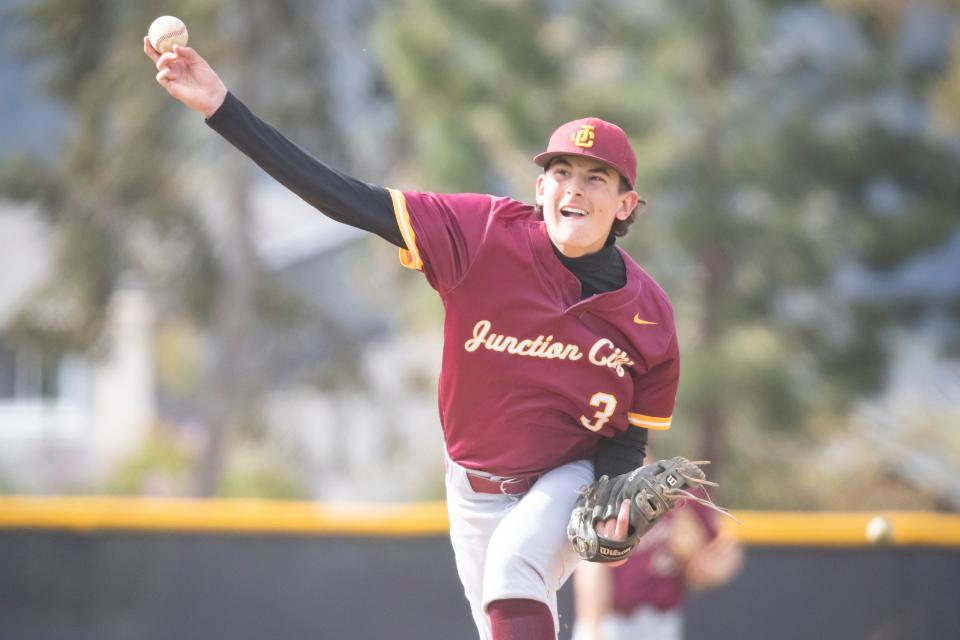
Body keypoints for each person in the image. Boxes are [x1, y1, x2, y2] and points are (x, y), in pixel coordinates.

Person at [145, 38, 681, 640]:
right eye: (560, 172)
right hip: (472, 488)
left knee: (513, 569)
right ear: (540, 189)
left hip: (567, 480)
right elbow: (346, 198)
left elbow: (630, 433)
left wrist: (612, 497)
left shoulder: (650, 316)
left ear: (625, 204)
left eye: (595, 178)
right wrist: (222, 108)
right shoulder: (482, 237)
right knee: (501, 619)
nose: (573, 188)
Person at [572, 477, 744, 640]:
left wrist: (707, 567)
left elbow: (728, 550)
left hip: (661, 621)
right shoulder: (610, 490)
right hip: (610, 620)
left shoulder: (680, 490)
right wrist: (592, 625)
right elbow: (590, 566)